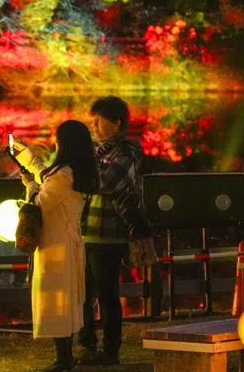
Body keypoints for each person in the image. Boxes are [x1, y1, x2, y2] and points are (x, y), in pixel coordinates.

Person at [13, 120, 101, 372]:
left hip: (56, 246)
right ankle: (65, 357)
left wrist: (29, 185)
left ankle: (63, 359)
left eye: (58, 139)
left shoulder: (64, 175)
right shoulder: (73, 172)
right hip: (67, 241)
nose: (55, 143)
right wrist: (27, 156)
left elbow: (40, 203)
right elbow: (46, 178)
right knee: (67, 301)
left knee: (56, 300)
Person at [78, 96, 151, 366]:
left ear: (117, 123)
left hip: (109, 234)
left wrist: (83, 167)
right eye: (94, 119)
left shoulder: (127, 152)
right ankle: (87, 345)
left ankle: (110, 350)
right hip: (87, 231)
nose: (95, 125)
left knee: (107, 294)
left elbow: (104, 183)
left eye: (100, 119)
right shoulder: (97, 152)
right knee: (83, 294)